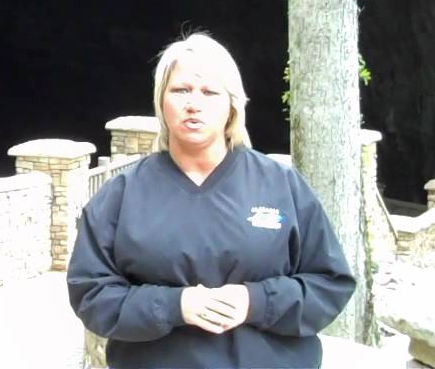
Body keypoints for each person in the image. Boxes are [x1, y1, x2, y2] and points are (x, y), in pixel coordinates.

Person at [67, 32, 355, 369]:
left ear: (233, 104)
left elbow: (330, 282)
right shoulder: (121, 196)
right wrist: (174, 305)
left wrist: (256, 301)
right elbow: (90, 293)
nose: (194, 103)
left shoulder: (280, 186)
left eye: (209, 92)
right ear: (162, 101)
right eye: (180, 90)